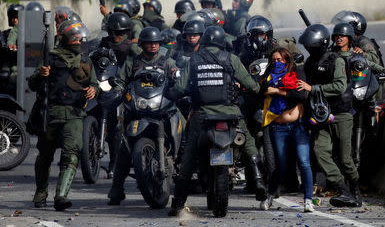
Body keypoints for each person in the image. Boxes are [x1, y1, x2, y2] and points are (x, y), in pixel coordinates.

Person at [167, 26, 266, 216]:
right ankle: (259, 180)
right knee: (249, 143)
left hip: (202, 115)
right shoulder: (231, 59)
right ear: (222, 42)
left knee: (188, 156)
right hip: (231, 113)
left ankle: (178, 202)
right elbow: (252, 86)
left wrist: (170, 93)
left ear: (204, 41)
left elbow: (179, 88)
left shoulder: (194, 60)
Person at [28, 22, 98, 211]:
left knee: (71, 154)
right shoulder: (51, 57)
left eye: (79, 37)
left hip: (74, 115)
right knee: (44, 157)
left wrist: (93, 89)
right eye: (74, 37)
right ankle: (41, 193)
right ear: (64, 38)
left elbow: (95, 83)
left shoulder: (85, 60)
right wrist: (42, 75)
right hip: (51, 114)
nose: (78, 40)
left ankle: (61, 196)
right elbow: (33, 84)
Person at [107, 27, 178, 205]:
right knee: (123, 144)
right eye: (149, 43)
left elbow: (177, 77)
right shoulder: (133, 62)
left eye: (155, 43)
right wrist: (117, 90)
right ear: (142, 44)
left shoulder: (167, 61)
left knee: (186, 126)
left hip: (162, 108)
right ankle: (116, 188)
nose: (153, 46)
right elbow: (121, 81)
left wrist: (178, 81)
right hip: (136, 109)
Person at [298, 24, 361, 208]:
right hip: (321, 116)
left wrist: (314, 89)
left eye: (312, 46)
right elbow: (306, 86)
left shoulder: (337, 61)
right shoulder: (310, 63)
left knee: (345, 159)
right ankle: (343, 189)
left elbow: (340, 86)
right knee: (319, 150)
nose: (309, 49)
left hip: (341, 114)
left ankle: (356, 192)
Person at [259, 47, 314, 213]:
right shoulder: (268, 74)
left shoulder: (297, 72)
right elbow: (260, 90)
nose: (277, 62)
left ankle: (308, 200)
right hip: (278, 127)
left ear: (287, 60)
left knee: (304, 162)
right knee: (280, 165)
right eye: (274, 60)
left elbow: (302, 95)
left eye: (280, 60)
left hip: (298, 126)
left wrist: (277, 91)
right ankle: (270, 196)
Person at [98, 12, 140, 177]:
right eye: (114, 32)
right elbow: (92, 58)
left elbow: (143, 60)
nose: (117, 36)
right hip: (107, 85)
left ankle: (123, 161)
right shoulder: (103, 43)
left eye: (121, 32)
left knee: (125, 125)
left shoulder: (132, 46)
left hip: (127, 88)